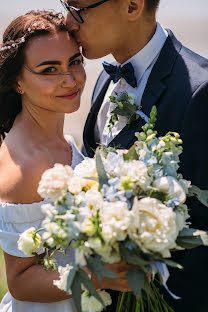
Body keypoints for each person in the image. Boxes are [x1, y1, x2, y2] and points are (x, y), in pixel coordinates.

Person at [63, 0, 208, 311]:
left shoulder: (200, 91)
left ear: (132, 6)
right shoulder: (104, 78)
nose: (68, 22)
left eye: (78, 9)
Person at [0, 10, 132, 312]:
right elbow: (20, 281)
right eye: (49, 70)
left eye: (74, 61)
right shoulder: (25, 165)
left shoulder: (60, 141)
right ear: (18, 81)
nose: (70, 80)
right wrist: (100, 276)